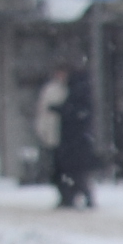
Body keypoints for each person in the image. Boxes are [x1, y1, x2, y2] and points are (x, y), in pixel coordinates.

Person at [38, 70, 96, 207]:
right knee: (72, 172)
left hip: (71, 141)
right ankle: (72, 196)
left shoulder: (76, 92)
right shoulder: (73, 91)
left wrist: (59, 110)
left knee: (72, 172)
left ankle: (71, 197)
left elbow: (73, 112)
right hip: (71, 141)